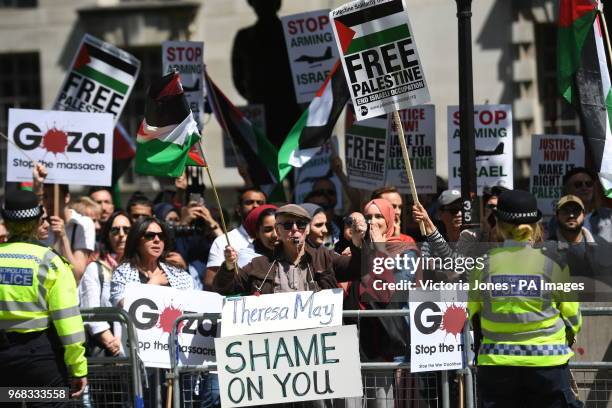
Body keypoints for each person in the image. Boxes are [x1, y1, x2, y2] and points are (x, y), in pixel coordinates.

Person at [468, 190, 582, 407]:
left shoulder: (483, 265)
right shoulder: (554, 262)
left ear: (499, 226)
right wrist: (568, 336)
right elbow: (573, 315)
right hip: (548, 365)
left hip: (497, 366)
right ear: (537, 226)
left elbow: (471, 311)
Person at [0, 190, 88, 403]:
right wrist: (78, 368)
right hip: (40, 361)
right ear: (38, 221)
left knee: (6, 399)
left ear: (6, 222)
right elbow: (68, 322)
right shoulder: (51, 262)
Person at [215, 204, 363, 295]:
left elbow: (360, 269)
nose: (294, 229)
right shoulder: (259, 265)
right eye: (287, 225)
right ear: (278, 232)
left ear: (307, 230)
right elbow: (224, 288)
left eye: (301, 225)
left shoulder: (324, 257)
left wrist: (358, 243)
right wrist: (228, 266)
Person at [79, 211, 132, 357]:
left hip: (140, 352)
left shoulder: (141, 269)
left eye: (127, 230)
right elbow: (91, 313)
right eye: (115, 230)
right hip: (111, 356)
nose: (121, 234)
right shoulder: (95, 269)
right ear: (107, 235)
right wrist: (114, 346)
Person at [110, 216, 193, 308]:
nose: (157, 240)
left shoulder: (178, 275)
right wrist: (152, 284)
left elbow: (191, 306)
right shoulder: (122, 272)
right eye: (150, 235)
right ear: (136, 241)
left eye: (161, 236)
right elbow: (123, 306)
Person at [33, 164, 95, 283]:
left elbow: (77, 274)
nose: (49, 201)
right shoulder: (41, 224)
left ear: (66, 197)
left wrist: (63, 237)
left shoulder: (82, 224)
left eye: (54, 196)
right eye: (45, 196)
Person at [204, 187, 266, 289]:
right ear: (238, 209)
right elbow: (210, 282)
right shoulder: (223, 241)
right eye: (249, 202)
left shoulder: (276, 239)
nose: (255, 206)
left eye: (260, 203)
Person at [551, 167, 612, 242]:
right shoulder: (557, 221)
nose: (584, 187)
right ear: (567, 189)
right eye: (578, 184)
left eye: (589, 184)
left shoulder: (608, 215)